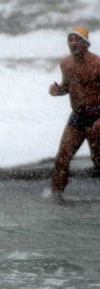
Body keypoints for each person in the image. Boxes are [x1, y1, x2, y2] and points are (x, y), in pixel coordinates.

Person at [48, 27, 100, 199]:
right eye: (70, 40)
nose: (73, 43)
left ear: (86, 43)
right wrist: (58, 90)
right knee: (61, 160)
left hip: (97, 116)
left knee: (98, 161)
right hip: (77, 117)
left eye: (77, 39)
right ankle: (56, 199)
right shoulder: (66, 64)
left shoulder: (97, 64)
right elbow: (68, 87)